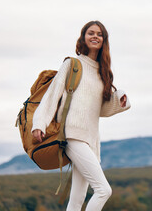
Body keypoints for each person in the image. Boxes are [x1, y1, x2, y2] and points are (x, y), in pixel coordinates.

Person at [31, 21, 131, 210]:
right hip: (73, 135)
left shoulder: (103, 72)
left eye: (99, 34)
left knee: (78, 198)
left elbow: (100, 110)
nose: (95, 36)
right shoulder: (72, 64)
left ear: (104, 40)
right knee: (103, 190)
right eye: (91, 33)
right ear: (83, 37)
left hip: (91, 139)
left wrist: (120, 100)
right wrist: (39, 124)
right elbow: (52, 95)